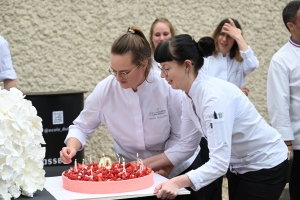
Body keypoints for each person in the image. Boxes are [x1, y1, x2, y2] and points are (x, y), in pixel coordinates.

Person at [60, 26, 204, 199]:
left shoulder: (167, 86)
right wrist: (71, 147)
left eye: (125, 72)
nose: (118, 78)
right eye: (114, 71)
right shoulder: (105, 90)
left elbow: (182, 136)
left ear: (143, 64)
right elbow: (81, 127)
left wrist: (169, 164)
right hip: (132, 175)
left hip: (179, 168)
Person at [152, 34, 288, 200]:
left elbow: (219, 164)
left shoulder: (212, 99)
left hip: (266, 164)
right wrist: (140, 166)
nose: (162, 75)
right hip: (239, 166)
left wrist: (176, 182)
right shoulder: (188, 95)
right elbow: (186, 145)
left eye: (166, 68)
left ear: (187, 65)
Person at [200, 17, 259, 200]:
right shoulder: (206, 59)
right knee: (212, 178)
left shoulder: (238, 61)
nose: (225, 40)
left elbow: (254, 63)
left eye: (230, 36)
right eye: (222, 34)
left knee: (234, 172)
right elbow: (204, 87)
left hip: (233, 126)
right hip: (211, 125)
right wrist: (234, 91)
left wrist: (239, 37)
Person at [267, 1, 300, 199]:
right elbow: (279, 104)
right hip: (298, 141)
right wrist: (287, 143)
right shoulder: (281, 59)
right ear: (291, 26)